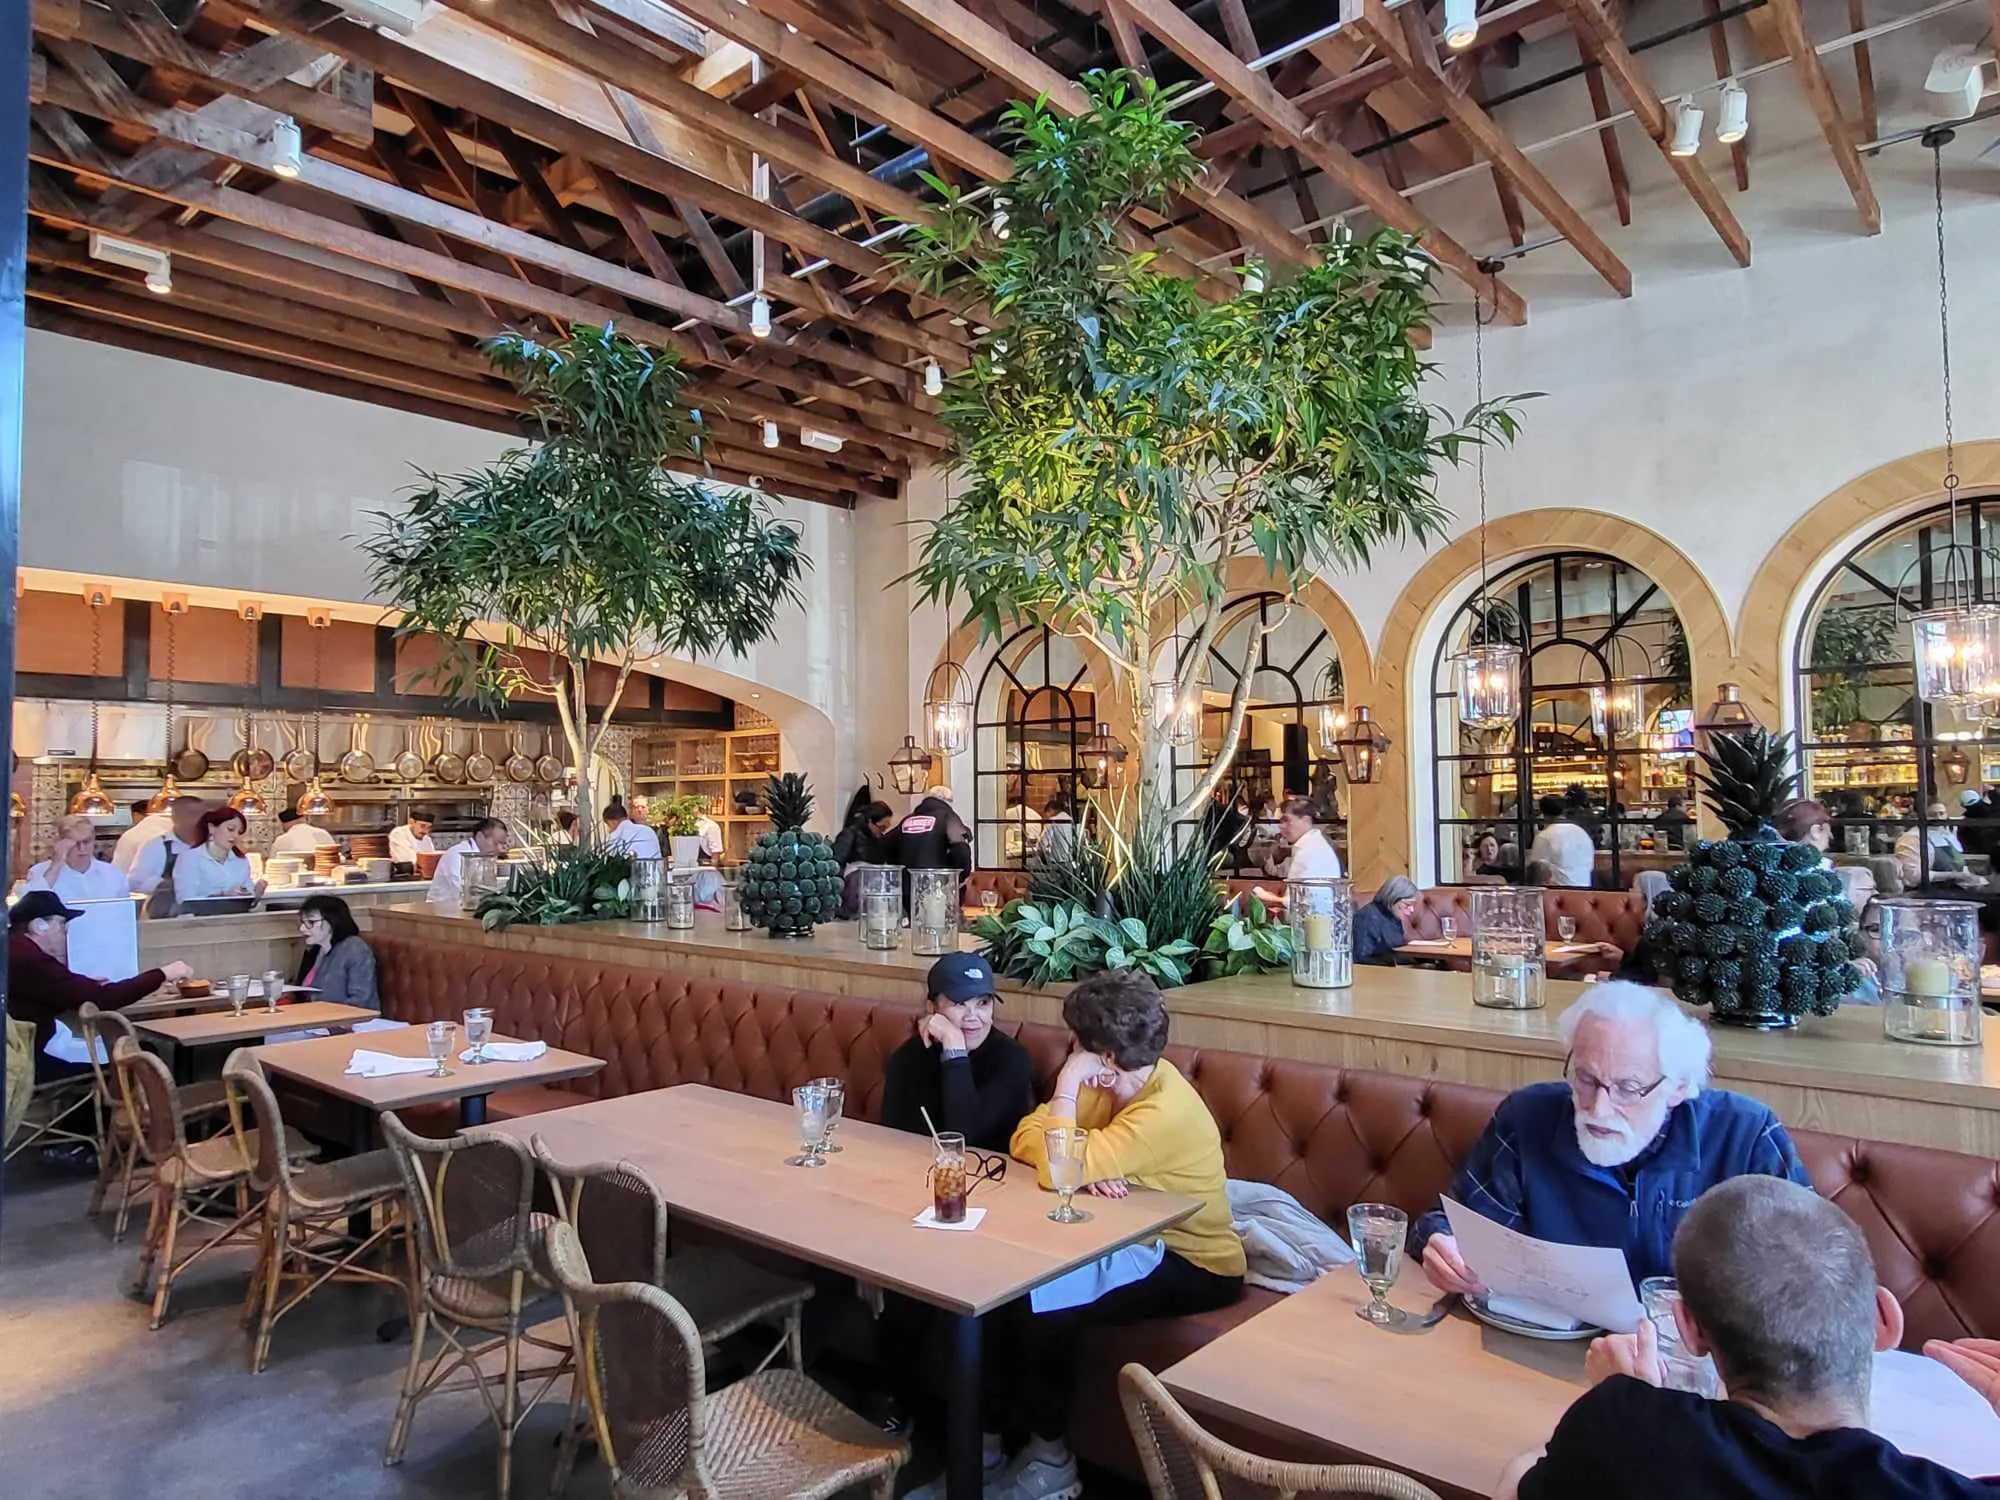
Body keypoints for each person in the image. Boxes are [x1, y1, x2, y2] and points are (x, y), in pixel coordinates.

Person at [1497, 1175, 2000, 1499]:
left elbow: (1515, 1483)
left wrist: (1628, 1405)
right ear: (1883, 1320)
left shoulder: (1625, 1430)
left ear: (1689, 1329)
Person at [988, 971, 1244, 1500]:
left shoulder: (1162, 1109)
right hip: (1126, 1241)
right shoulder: (1114, 1085)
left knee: (1041, 1303)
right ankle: (987, 1448)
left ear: (1099, 1056)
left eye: (1076, 1044)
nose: (1070, 1051)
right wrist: (1082, 1155)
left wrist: (1065, 1099)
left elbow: (1056, 1170)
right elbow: (1025, 1135)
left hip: (1194, 1262)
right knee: (1005, 1290)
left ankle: (1051, 1463)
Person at [1413, 981, 1808, 1293]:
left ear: (1677, 1088)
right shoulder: (1528, 1118)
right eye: (1585, 1078)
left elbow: (1810, 1270)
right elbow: (1452, 1223)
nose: (1598, 1108)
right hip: (1548, 1350)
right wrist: (1442, 1244)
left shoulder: (1745, 1134)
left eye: (1627, 1088)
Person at [7, 891, 191, 1079]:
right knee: (142, 1055)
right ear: (39, 925)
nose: (65, 932)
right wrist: (163, 974)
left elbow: (56, 989)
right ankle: (116, 1108)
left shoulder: (15, 949)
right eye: (61, 925)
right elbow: (103, 999)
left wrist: (84, 985)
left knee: (141, 1049)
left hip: (24, 1053)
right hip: (29, 1063)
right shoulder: (29, 959)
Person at [881, 953, 1035, 1153]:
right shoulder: (908, 1058)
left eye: (983, 1003)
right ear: (932, 1007)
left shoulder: (1012, 1059)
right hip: (915, 1172)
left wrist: (955, 1052)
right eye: (959, 1004)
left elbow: (964, 1137)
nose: (973, 1017)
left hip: (992, 1176)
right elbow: (891, 1139)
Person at [1250, 796, 1342, 905]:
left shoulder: (1312, 851)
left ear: (1305, 820)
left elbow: (1306, 904)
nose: (1281, 826)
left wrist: (1267, 897)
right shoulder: (1310, 845)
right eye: (1281, 821)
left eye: (1287, 820)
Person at [293, 894, 377, 1009]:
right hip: (316, 1017)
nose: (302, 928)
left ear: (333, 921)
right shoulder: (315, 949)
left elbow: (360, 1001)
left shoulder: (356, 949)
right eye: (303, 922)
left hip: (354, 1022)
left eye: (311, 922)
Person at [19, 815, 129, 903]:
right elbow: (30, 906)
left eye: (86, 842)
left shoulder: (113, 874)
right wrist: (55, 866)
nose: (82, 848)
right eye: (75, 843)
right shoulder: (39, 872)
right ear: (60, 843)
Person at [173, 806, 266, 906]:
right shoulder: (189, 858)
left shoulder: (241, 861)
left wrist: (256, 895)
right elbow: (185, 900)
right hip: (200, 920)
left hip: (236, 919)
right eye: (230, 829)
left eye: (239, 832)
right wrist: (222, 895)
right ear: (211, 828)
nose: (235, 836)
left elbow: (248, 900)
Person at [123, 795, 206, 902]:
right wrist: (168, 884)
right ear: (176, 817)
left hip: (206, 911)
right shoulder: (155, 847)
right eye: (193, 814)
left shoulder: (211, 845)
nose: (200, 819)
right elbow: (135, 883)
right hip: (166, 914)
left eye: (203, 815)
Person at [427, 817, 510, 909]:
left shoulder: (486, 857)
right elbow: (463, 890)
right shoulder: (457, 854)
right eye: (496, 843)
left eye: (503, 844)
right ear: (480, 836)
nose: (499, 849)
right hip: (441, 912)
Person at [1896, 802, 1983, 890]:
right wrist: (1954, 875)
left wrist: (1971, 878)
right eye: (1932, 815)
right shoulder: (1912, 837)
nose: (1938, 818)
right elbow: (1912, 876)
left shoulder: (1948, 835)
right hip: (1925, 893)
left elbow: (1959, 864)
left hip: (1953, 890)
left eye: (1941, 813)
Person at [891, 786, 973, 879]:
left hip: (907, 885)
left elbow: (884, 848)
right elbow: (961, 849)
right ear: (947, 800)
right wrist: (959, 875)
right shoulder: (948, 817)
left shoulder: (907, 820)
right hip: (936, 885)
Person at [1527, 796, 1596, 888]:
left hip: (1558, 892)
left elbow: (1536, 870)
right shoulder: (1582, 833)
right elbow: (1590, 867)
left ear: (1542, 814)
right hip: (1585, 890)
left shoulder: (1545, 836)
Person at [1354, 876, 1419, 966]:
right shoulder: (1366, 917)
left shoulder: (1393, 916)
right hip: (1376, 974)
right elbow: (1361, 958)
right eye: (1407, 904)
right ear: (1392, 898)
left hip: (1396, 970)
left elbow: (1398, 950)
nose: (1412, 909)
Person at [110, 799, 171, 879]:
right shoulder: (178, 829)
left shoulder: (132, 835)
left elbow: (118, 870)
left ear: (135, 814)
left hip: (141, 888)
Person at [831, 799, 894, 869]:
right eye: (881, 827)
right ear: (870, 822)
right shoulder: (849, 834)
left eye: (887, 827)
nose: (884, 831)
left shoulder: (880, 839)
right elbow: (837, 864)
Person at [268, 809, 335, 859]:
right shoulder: (323, 833)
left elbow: (272, 862)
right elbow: (337, 857)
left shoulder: (281, 840)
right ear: (305, 819)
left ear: (284, 824)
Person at [1038, 794, 1078, 861]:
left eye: (1046, 814)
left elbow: (1043, 842)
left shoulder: (1053, 820)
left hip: (1057, 860)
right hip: (1069, 859)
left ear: (1050, 810)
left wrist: (1039, 848)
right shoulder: (1070, 819)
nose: (1047, 817)